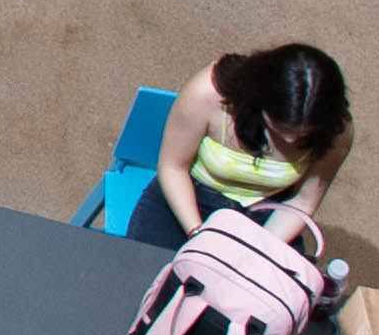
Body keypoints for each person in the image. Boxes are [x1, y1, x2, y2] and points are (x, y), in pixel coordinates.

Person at [137, 39, 357, 242]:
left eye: (304, 132)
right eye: (280, 126)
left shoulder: (336, 130)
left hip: (265, 212)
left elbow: (303, 201)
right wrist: (198, 233)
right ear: (259, 98)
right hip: (187, 199)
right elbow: (173, 167)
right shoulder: (209, 94)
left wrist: (257, 250)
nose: (291, 139)